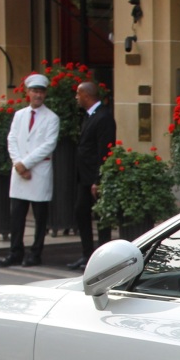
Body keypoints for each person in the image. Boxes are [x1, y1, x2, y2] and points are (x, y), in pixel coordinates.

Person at [0, 73, 60, 268]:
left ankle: (35, 254)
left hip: (38, 171)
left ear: (45, 94)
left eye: (41, 91)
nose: (37, 95)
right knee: (16, 216)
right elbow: (12, 139)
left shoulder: (52, 118)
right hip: (20, 171)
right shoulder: (19, 115)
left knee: (40, 218)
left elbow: (48, 145)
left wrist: (27, 164)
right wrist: (18, 164)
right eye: (34, 91)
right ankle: (15, 252)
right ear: (28, 93)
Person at [68, 81, 116, 270]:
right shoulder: (90, 115)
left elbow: (104, 150)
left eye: (78, 95)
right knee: (81, 212)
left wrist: (99, 180)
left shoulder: (103, 117)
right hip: (84, 176)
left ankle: (103, 259)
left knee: (101, 219)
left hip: (94, 178)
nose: (76, 98)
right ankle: (87, 255)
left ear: (86, 95)